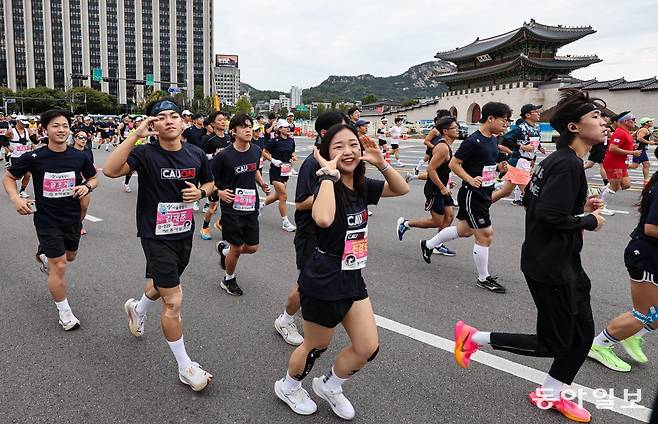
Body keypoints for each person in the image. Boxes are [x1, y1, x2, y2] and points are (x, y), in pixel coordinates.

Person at [453, 89, 608, 423]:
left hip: (564, 260)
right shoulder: (566, 165)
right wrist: (588, 220)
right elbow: (550, 217)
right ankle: (474, 338)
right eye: (595, 117)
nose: (602, 121)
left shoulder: (559, 162)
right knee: (555, 341)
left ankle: (550, 392)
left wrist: (581, 207)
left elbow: (542, 207)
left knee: (582, 335)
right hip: (549, 265)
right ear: (574, 128)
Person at [274, 124, 409, 419]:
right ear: (325, 154)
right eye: (338, 147)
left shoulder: (361, 185)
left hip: (352, 275)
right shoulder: (329, 185)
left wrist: (381, 162)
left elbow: (402, 188)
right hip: (324, 277)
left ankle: (331, 385)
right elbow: (322, 219)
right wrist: (327, 174)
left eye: (353, 145)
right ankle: (288, 386)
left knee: (367, 346)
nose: (348, 151)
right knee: (315, 346)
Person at [103, 97, 214, 391]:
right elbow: (110, 171)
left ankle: (137, 310)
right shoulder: (146, 154)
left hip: (183, 233)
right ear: (153, 124)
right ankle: (185, 366)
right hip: (154, 234)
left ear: (183, 122)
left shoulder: (196, 153)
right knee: (173, 299)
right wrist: (135, 135)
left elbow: (210, 183)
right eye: (161, 117)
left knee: (161, 284)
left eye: (174, 116)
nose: (169, 120)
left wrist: (200, 192)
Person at [3, 109, 97, 330]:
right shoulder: (35, 157)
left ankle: (43, 254)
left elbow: (93, 178)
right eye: (56, 125)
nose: (61, 130)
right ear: (45, 129)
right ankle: (65, 314)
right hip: (47, 220)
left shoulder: (79, 156)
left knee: (70, 257)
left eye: (65, 125)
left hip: (72, 218)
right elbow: (9, 177)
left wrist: (86, 186)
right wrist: (16, 198)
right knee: (60, 264)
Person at [420, 102, 512, 294]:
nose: (506, 124)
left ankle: (428, 244)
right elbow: (454, 164)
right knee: (486, 235)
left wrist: (498, 168)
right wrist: (470, 179)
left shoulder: (493, 140)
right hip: (472, 194)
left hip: (484, 191)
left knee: (464, 230)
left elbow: (484, 163)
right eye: (504, 120)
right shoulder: (473, 141)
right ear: (490, 119)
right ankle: (483, 278)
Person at [274, 111, 348, 346]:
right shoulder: (312, 164)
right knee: (307, 282)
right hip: (311, 233)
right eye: (341, 131)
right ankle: (285, 320)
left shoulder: (340, 161)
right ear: (325, 134)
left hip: (332, 234)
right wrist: (328, 190)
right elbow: (303, 201)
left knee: (325, 280)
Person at [588, 148, 658, 372]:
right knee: (645, 313)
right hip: (646, 256)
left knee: (652, 313)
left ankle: (634, 334)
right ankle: (600, 345)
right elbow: (651, 228)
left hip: (651, 254)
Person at [212, 114, 270, 296]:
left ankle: (226, 251)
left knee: (252, 247)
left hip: (251, 205)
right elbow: (210, 181)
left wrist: (261, 184)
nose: (247, 129)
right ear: (233, 131)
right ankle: (228, 279)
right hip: (231, 209)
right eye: (243, 127)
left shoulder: (255, 150)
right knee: (237, 248)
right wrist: (219, 192)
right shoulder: (223, 156)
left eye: (249, 126)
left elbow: (254, 170)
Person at [397, 117, 458, 257]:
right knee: (437, 221)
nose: (458, 130)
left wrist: (447, 183)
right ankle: (405, 224)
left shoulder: (448, 145)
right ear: (445, 131)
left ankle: (437, 244)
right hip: (435, 190)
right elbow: (431, 169)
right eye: (455, 127)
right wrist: (443, 187)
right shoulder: (442, 147)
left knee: (449, 217)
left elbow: (442, 170)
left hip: (442, 187)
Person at [492, 104, 546, 205]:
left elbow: (534, 141)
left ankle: (482, 204)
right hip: (519, 162)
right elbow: (505, 140)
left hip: (526, 162)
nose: (539, 113)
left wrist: (540, 147)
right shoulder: (520, 128)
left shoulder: (537, 127)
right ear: (528, 115)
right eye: (536, 111)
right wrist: (521, 147)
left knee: (505, 192)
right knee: (530, 195)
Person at [599, 111, 641, 216]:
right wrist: (632, 152)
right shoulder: (620, 132)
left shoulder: (626, 132)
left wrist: (632, 147)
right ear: (625, 121)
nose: (634, 122)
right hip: (614, 163)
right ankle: (601, 206)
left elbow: (622, 146)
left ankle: (599, 191)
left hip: (622, 163)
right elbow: (613, 148)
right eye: (633, 120)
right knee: (615, 187)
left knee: (626, 185)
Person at [199, 110, 231, 240]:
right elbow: (201, 156)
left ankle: (221, 223)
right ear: (213, 123)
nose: (223, 122)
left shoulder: (229, 137)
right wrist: (213, 155)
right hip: (213, 177)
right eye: (219, 120)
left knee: (230, 202)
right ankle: (204, 228)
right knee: (213, 206)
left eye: (224, 119)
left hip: (227, 175)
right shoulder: (208, 139)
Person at [262, 119, 297, 232]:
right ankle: (285, 222)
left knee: (278, 195)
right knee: (284, 195)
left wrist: (293, 157)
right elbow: (264, 151)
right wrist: (273, 160)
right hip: (276, 171)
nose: (288, 128)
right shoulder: (274, 141)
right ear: (280, 129)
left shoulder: (291, 141)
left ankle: (260, 206)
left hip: (285, 171)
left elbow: (292, 152)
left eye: (288, 127)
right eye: (285, 127)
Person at [6, 114, 37, 197]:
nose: (24, 124)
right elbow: (3, 140)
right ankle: (12, 189)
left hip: (27, 156)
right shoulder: (10, 131)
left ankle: (22, 190)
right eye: (22, 123)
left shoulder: (28, 131)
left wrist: (35, 144)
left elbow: (35, 141)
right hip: (16, 156)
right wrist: (8, 147)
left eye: (25, 123)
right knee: (15, 176)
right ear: (18, 122)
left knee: (28, 174)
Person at [71, 129, 95, 235]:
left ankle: (78, 224)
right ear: (75, 138)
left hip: (85, 183)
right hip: (71, 182)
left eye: (85, 138)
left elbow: (91, 167)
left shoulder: (88, 151)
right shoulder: (68, 151)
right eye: (81, 137)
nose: (83, 140)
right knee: (71, 206)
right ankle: (74, 225)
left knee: (84, 207)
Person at [413, 109, 452, 175]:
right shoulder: (435, 130)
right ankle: (416, 170)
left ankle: (415, 173)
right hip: (433, 150)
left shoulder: (446, 129)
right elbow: (426, 141)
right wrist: (435, 148)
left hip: (441, 151)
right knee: (432, 169)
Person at [583, 112, 611, 186]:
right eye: (608, 117)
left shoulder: (605, 126)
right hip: (599, 147)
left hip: (600, 147)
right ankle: (606, 182)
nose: (608, 119)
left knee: (589, 164)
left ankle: (575, 171)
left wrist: (608, 132)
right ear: (604, 117)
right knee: (602, 165)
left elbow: (609, 137)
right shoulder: (598, 125)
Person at [630, 117, 655, 184]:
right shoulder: (644, 130)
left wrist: (634, 141)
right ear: (646, 123)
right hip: (639, 150)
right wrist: (649, 142)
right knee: (634, 166)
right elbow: (639, 138)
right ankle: (618, 167)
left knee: (646, 164)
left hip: (642, 149)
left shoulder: (642, 129)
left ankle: (646, 181)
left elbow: (632, 136)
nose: (652, 122)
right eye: (650, 121)